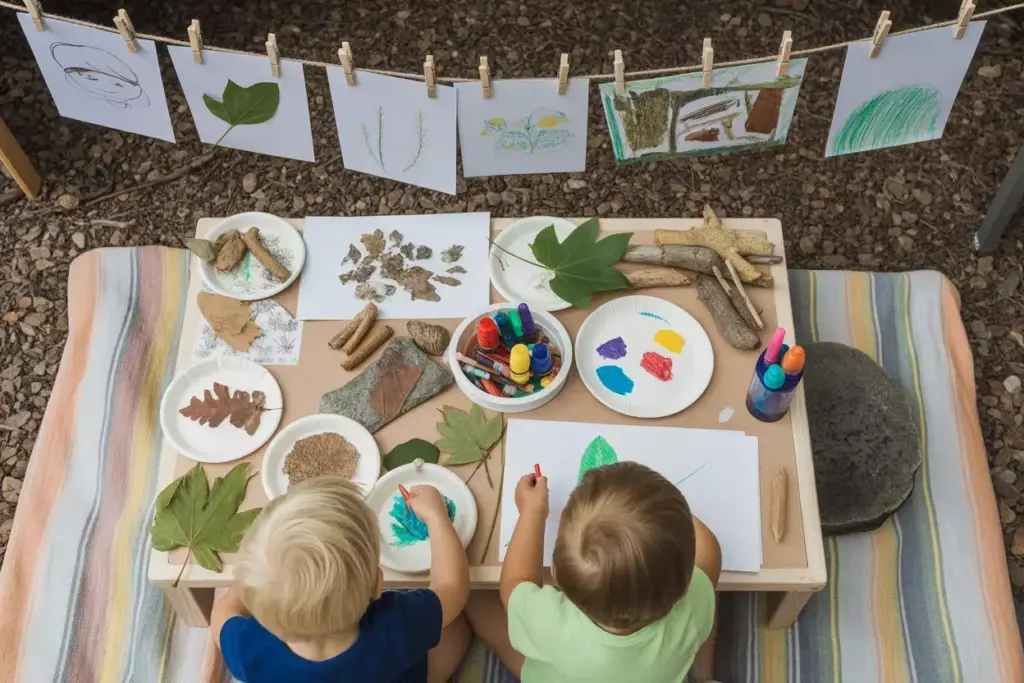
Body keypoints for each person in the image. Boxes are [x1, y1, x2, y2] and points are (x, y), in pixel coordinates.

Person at [466, 461, 722, 683]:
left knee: (473, 598)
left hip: (560, 673)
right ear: (684, 581)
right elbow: (709, 550)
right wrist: (662, 515)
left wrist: (532, 511)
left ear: (555, 574)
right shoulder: (694, 605)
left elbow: (514, 584)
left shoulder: (551, 625)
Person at [211, 476, 471, 682]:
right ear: (377, 584)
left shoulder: (249, 650)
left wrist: (259, 579)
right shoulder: (396, 624)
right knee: (458, 627)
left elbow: (222, 613)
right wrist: (437, 518)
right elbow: (452, 590)